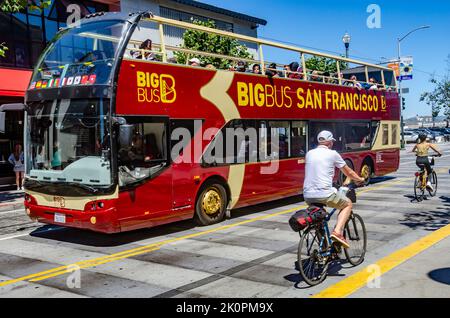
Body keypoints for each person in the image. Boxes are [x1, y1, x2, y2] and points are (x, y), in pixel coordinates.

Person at [303, 131, 365, 248]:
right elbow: (349, 172)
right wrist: (359, 179)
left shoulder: (309, 153)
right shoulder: (333, 154)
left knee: (320, 218)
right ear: (330, 142)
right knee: (347, 204)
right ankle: (337, 232)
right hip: (325, 193)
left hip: (307, 195)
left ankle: (324, 248)